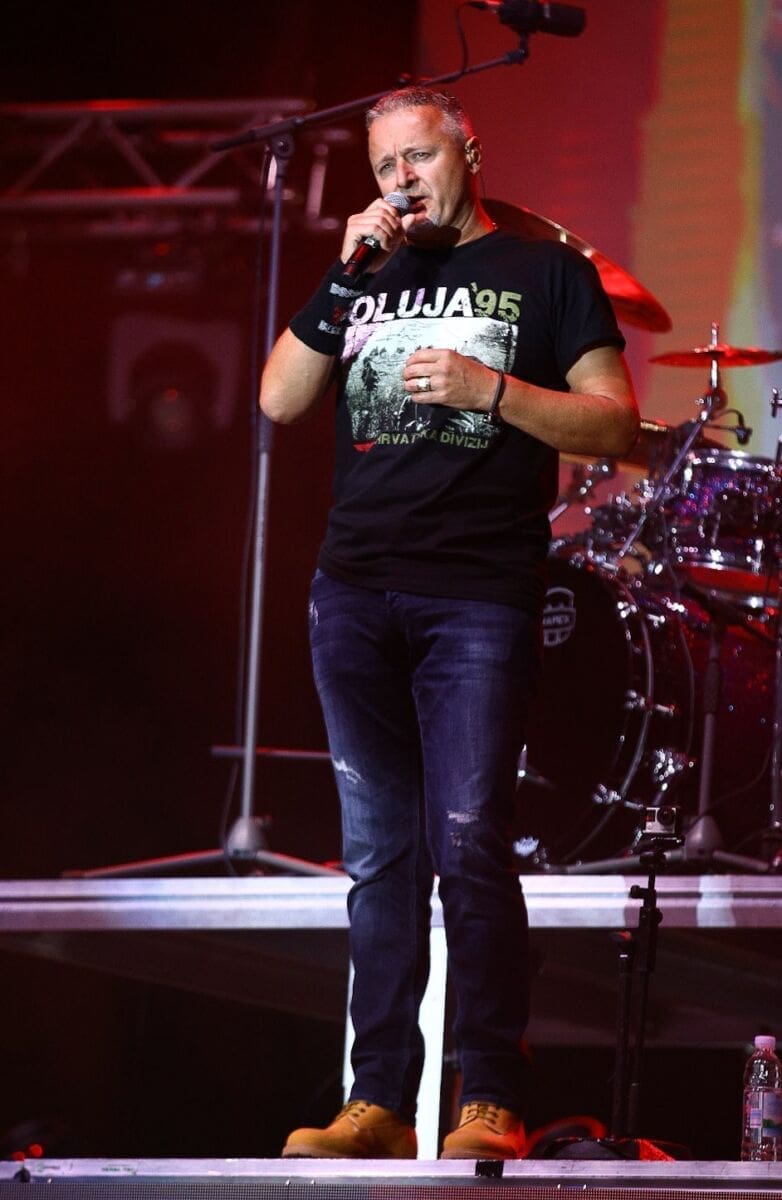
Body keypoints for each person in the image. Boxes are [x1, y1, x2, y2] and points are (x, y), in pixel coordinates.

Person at [260, 87, 638, 1161]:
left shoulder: (545, 273)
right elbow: (279, 399)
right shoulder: (366, 275)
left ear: (469, 150)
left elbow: (613, 423)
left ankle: (492, 1096)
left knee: (468, 840)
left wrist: (490, 390)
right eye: (385, 168)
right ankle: (376, 1101)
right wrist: (343, 276)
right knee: (379, 855)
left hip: (475, 592)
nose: (402, 182)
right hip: (354, 590)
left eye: (418, 158)